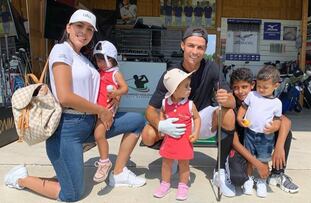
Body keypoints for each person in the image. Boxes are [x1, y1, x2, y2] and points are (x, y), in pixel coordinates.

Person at [4, 9, 146, 202]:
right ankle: (20, 178)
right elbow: (65, 97)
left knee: (137, 120)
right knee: (71, 194)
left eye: (89, 29)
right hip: (68, 129)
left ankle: (118, 173)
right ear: (68, 28)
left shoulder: (84, 58)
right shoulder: (61, 50)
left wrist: (113, 97)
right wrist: (101, 110)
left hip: (91, 123)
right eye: (79, 26)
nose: (84, 32)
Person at [141, 26, 237, 197]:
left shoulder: (212, 68)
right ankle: (173, 155)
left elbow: (231, 100)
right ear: (182, 45)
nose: (195, 51)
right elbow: (150, 109)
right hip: (176, 125)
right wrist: (161, 124)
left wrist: (228, 99)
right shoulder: (171, 73)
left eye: (200, 47)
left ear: (205, 49)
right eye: (191, 45)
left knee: (228, 114)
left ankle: (220, 170)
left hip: (200, 120)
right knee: (148, 134)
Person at [230, 68, 299, 194]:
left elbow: (285, 121)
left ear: (252, 85)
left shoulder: (269, 101)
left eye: (244, 87)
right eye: (236, 87)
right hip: (241, 145)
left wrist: (279, 147)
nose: (240, 91)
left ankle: (277, 174)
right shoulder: (234, 105)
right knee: (238, 178)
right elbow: (234, 142)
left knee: (286, 132)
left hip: (263, 138)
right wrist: (258, 164)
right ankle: (250, 178)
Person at [153, 68, 200, 201]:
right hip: (169, 140)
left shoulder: (190, 105)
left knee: (184, 164)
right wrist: (161, 125)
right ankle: (165, 183)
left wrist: (196, 132)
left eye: (189, 85)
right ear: (174, 89)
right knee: (166, 163)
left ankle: (183, 185)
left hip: (184, 141)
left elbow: (197, 118)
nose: (189, 89)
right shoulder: (164, 102)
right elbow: (161, 113)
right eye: (186, 86)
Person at [236, 65, 282, 198]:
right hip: (250, 133)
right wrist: (240, 118)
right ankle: (249, 179)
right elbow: (243, 108)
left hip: (266, 137)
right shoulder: (252, 95)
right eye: (259, 86)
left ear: (275, 86)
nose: (261, 89)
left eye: (265, 87)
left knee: (263, 159)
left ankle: (262, 181)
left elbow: (278, 120)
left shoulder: (277, 103)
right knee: (249, 158)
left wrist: (274, 127)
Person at [92, 40, 128, 183]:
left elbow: (125, 88)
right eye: (97, 60)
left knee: (99, 134)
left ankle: (104, 162)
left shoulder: (115, 73)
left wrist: (116, 93)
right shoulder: (99, 72)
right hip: (96, 108)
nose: (99, 63)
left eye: (103, 60)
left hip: (106, 109)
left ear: (111, 59)